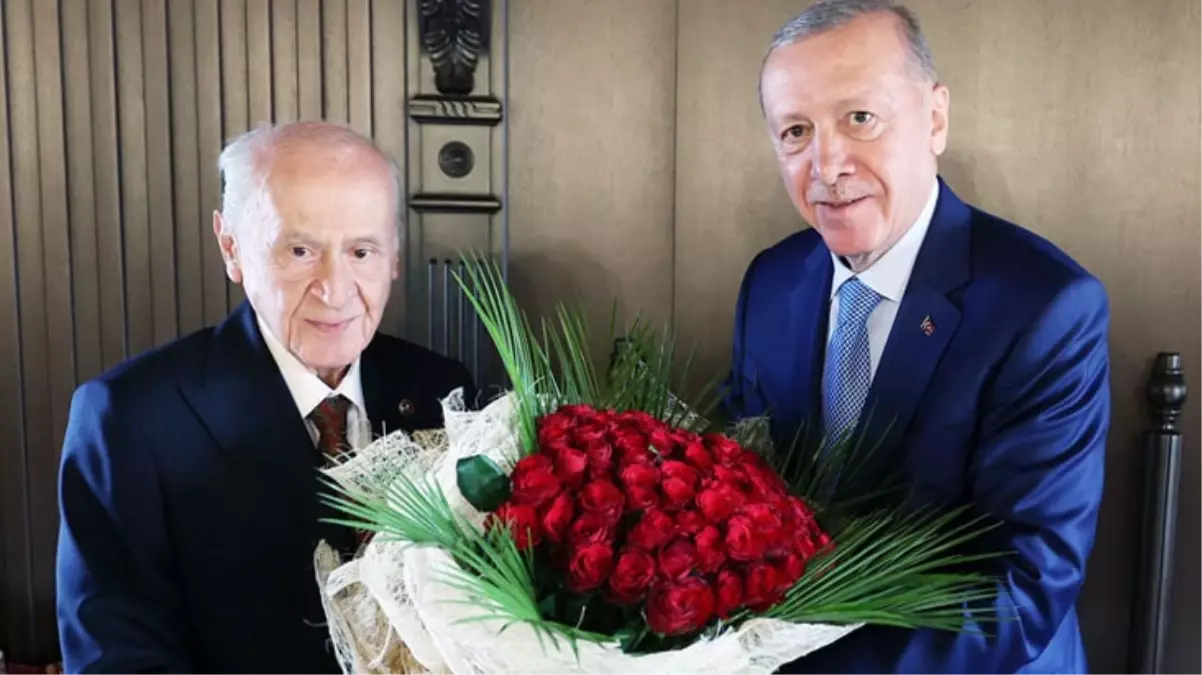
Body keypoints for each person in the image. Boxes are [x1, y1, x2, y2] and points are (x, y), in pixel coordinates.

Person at [725, 1, 1109, 673]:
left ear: (935, 119)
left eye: (860, 118)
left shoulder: (1047, 307)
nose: (826, 165)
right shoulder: (771, 282)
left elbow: (1021, 590)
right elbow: (735, 483)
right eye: (795, 131)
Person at [55, 121, 476, 674]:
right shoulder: (129, 418)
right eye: (300, 250)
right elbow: (118, 662)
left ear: (395, 254)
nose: (336, 290)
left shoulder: (440, 388)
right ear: (232, 248)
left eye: (362, 251)